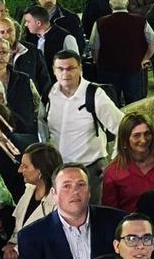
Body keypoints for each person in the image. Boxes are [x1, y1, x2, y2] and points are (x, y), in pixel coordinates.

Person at [41, 49, 123, 197]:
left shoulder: (94, 94)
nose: (65, 74)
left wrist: (115, 161)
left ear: (80, 68)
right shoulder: (49, 94)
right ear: (53, 70)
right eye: (60, 69)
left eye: (71, 68)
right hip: (59, 171)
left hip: (90, 171)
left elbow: (122, 127)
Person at [92, 0, 154, 107]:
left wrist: (97, 61)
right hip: (134, 68)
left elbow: (94, 46)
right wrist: (145, 58)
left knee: (111, 104)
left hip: (108, 69)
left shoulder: (100, 22)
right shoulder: (140, 20)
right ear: (127, 3)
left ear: (110, 4)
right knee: (136, 104)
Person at [101, 113, 154, 213]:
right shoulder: (113, 173)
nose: (143, 140)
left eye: (147, 133)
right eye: (136, 136)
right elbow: (110, 213)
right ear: (125, 140)